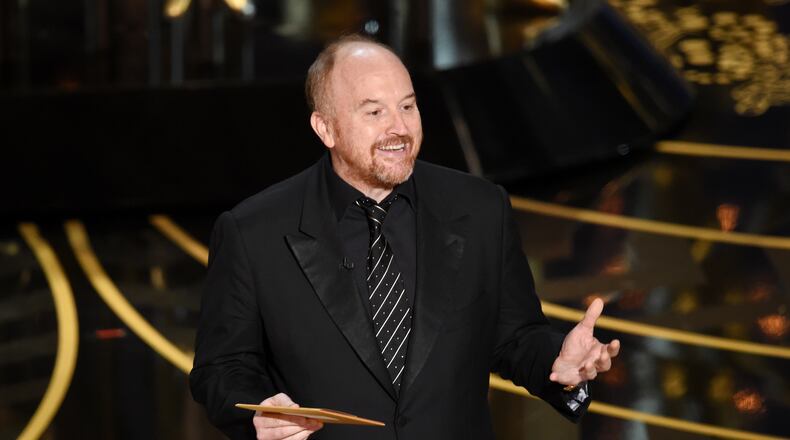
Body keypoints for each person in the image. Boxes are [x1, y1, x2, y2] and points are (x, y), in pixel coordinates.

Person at [190, 34, 620, 440]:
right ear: (326, 129)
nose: (399, 129)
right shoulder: (253, 231)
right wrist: (260, 412)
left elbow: (514, 336)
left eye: (408, 107)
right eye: (374, 112)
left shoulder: (480, 208)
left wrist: (555, 359)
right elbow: (222, 368)